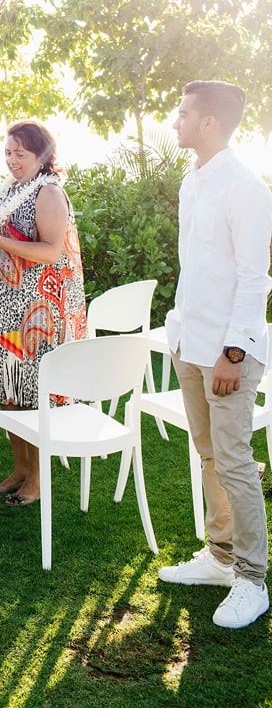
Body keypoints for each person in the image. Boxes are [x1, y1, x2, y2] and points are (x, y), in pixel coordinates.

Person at [157, 81, 272, 629]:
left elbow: (254, 280)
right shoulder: (192, 181)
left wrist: (232, 352)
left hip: (228, 352)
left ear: (209, 123)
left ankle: (252, 578)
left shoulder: (245, 187)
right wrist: (180, 334)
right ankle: (221, 558)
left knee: (235, 462)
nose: (175, 122)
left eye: (183, 114)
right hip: (191, 344)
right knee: (207, 457)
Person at [0, 120, 87, 506]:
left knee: (32, 394)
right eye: (8, 153)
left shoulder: (48, 192)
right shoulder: (9, 190)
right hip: (2, 305)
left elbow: (51, 251)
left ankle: (37, 477)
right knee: (10, 390)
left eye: (21, 154)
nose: (12, 160)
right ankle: (19, 467)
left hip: (36, 310)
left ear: (42, 156)